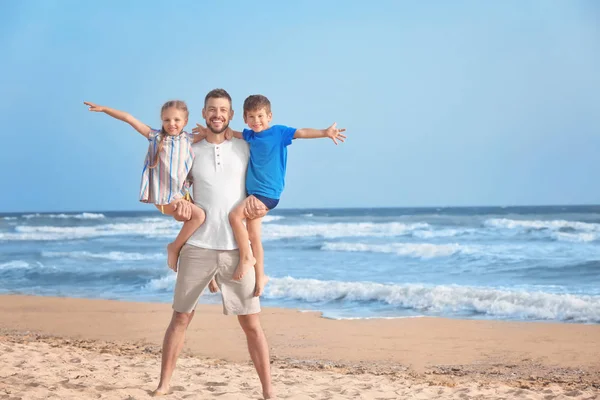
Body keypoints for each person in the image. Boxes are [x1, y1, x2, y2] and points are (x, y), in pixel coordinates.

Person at [153, 89, 274, 399]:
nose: (217, 114)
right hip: (198, 247)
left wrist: (260, 265)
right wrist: (177, 206)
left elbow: (265, 181)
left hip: (238, 250)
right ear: (203, 114)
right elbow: (171, 188)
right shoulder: (191, 149)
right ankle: (164, 385)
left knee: (251, 324)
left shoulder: (246, 147)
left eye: (223, 109)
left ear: (231, 115)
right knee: (180, 317)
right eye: (211, 109)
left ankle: (268, 391)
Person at [193, 94, 346, 297]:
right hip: (254, 193)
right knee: (255, 236)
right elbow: (232, 133)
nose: (257, 121)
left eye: (261, 116)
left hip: (266, 194)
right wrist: (207, 133)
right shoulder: (251, 135)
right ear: (246, 119)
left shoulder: (278, 133)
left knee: (234, 217)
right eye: (252, 117)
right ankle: (260, 278)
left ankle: (247, 257)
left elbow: (301, 133)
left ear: (270, 116)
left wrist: (325, 132)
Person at [83, 100, 205, 271]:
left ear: (185, 121)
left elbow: (214, 136)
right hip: (164, 198)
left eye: (177, 120)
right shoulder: (155, 137)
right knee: (199, 216)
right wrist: (104, 109)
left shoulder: (189, 139)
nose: (172, 124)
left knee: (201, 227)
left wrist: (206, 131)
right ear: (161, 121)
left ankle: (207, 274)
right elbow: (128, 118)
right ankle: (174, 247)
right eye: (167, 120)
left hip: (182, 195)